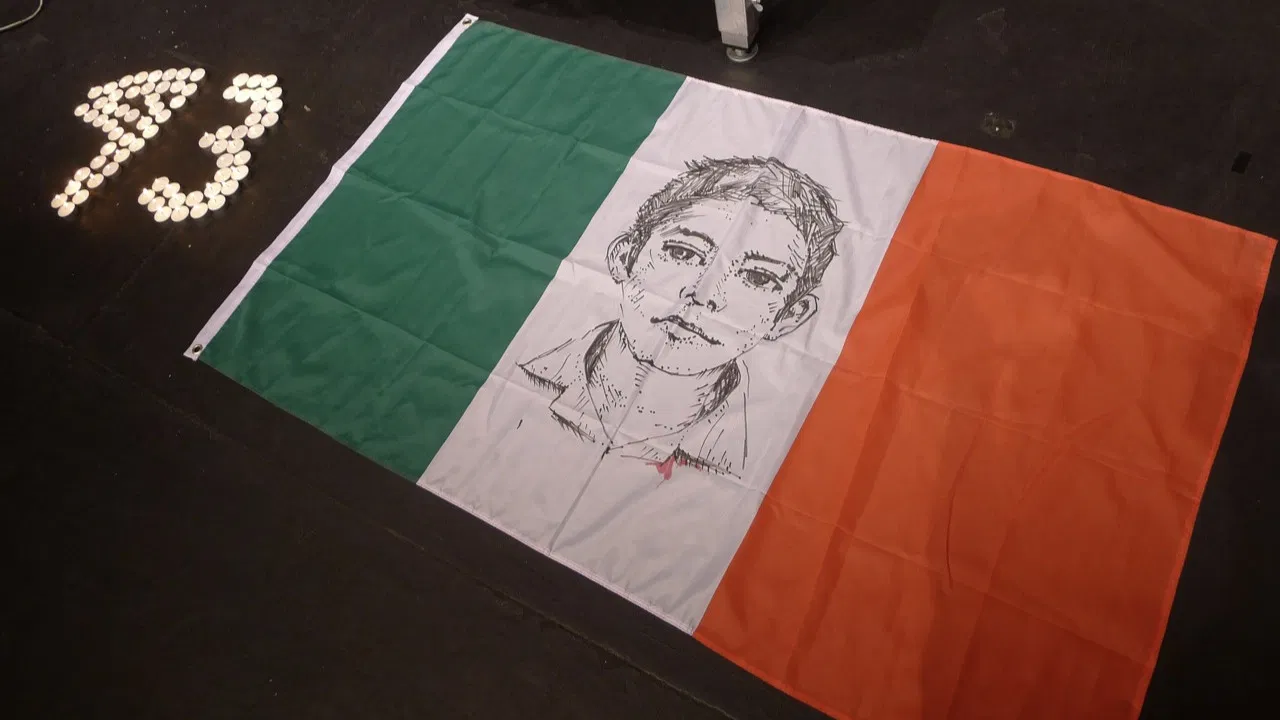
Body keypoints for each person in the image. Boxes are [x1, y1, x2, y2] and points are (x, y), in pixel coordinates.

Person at [519, 156, 844, 478]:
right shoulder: (521, 368)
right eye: (682, 252)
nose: (702, 294)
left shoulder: (751, 469)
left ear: (789, 317)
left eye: (758, 278)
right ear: (624, 257)